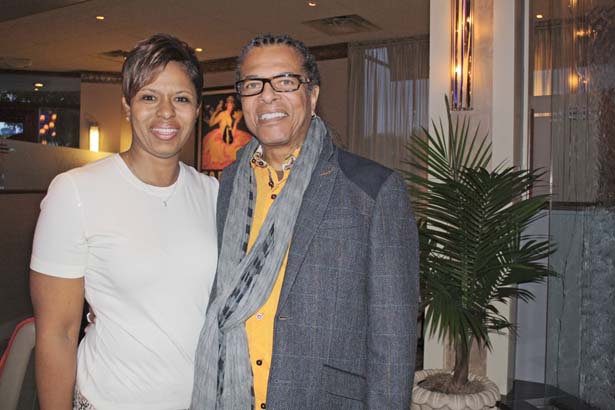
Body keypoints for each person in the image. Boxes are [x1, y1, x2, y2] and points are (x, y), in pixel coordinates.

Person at [191, 34, 419, 410]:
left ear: (312, 95)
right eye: (253, 84)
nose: (268, 96)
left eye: (285, 81)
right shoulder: (229, 183)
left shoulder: (372, 189)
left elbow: (393, 339)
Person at [30, 33, 218, 410]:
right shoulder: (76, 191)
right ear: (127, 107)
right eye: (149, 97)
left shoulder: (214, 194)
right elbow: (57, 333)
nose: (166, 113)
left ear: (197, 109)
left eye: (181, 99)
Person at [201, 94, 252, 172]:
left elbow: (233, 132)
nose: (230, 105)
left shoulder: (233, 116)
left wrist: (236, 121)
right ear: (226, 104)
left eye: (232, 103)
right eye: (229, 103)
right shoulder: (222, 114)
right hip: (220, 139)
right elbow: (211, 123)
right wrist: (217, 111)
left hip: (230, 138)